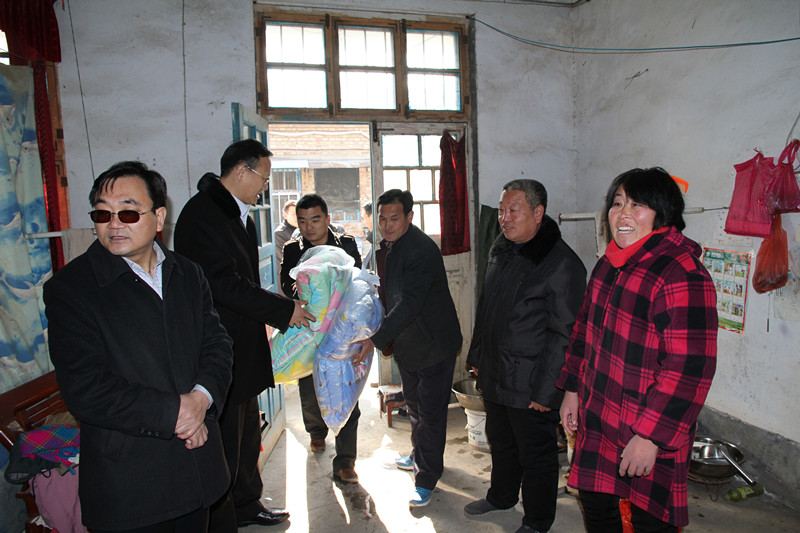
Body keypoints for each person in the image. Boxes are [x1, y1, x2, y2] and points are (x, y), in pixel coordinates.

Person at [44, 161, 233, 532]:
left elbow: (217, 343)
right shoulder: (72, 289)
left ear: (158, 217)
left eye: (128, 212)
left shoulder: (187, 273)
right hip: (131, 482)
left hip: (198, 468)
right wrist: (177, 413)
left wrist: (201, 400)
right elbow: (87, 388)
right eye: (103, 214)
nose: (114, 224)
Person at [558, 168, 718, 533]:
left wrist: (650, 437)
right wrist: (572, 389)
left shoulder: (682, 273)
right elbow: (583, 331)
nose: (623, 214)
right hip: (600, 419)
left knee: (650, 522)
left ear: (663, 214)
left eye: (638, 205)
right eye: (617, 204)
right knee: (598, 511)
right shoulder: (608, 265)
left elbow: (689, 368)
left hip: (645, 429)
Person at [175, 139, 315, 531]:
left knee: (247, 430)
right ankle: (224, 516)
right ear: (241, 171)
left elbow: (246, 282)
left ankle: (246, 501)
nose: (265, 188)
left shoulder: (242, 217)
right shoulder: (201, 215)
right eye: (263, 178)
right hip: (218, 345)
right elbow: (222, 284)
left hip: (243, 342)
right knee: (224, 439)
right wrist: (283, 310)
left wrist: (276, 309)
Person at [464, 179, 586, 533]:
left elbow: (565, 335)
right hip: (497, 371)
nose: (504, 218)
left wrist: (547, 393)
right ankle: (501, 496)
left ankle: (537, 519)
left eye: (513, 210)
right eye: (502, 210)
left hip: (531, 382)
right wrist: (478, 356)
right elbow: (487, 309)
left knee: (536, 454)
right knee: (500, 441)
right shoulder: (501, 250)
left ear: (538, 212)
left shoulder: (561, 264)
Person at [355, 189, 462, 508]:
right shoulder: (390, 247)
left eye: (394, 218)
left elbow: (409, 304)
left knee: (430, 414)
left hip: (433, 345)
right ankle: (419, 455)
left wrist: (375, 339)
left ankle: (426, 479)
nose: (387, 225)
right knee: (414, 407)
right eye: (382, 219)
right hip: (409, 344)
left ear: (409, 217)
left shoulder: (420, 250)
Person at [280, 194, 362, 483]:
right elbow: (286, 282)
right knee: (309, 387)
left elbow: (357, 280)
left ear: (327, 219)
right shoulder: (293, 249)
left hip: (341, 329)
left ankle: (346, 461)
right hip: (310, 327)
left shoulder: (346, 244)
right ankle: (316, 432)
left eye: (315, 220)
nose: (309, 227)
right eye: (302, 221)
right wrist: (308, 289)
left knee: (345, 389)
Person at [273, 199, 297, 269]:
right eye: (294, 214)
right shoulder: (280, 233)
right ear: (285, 215)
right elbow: (285, 260)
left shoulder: (303, 229)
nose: (297, 217)